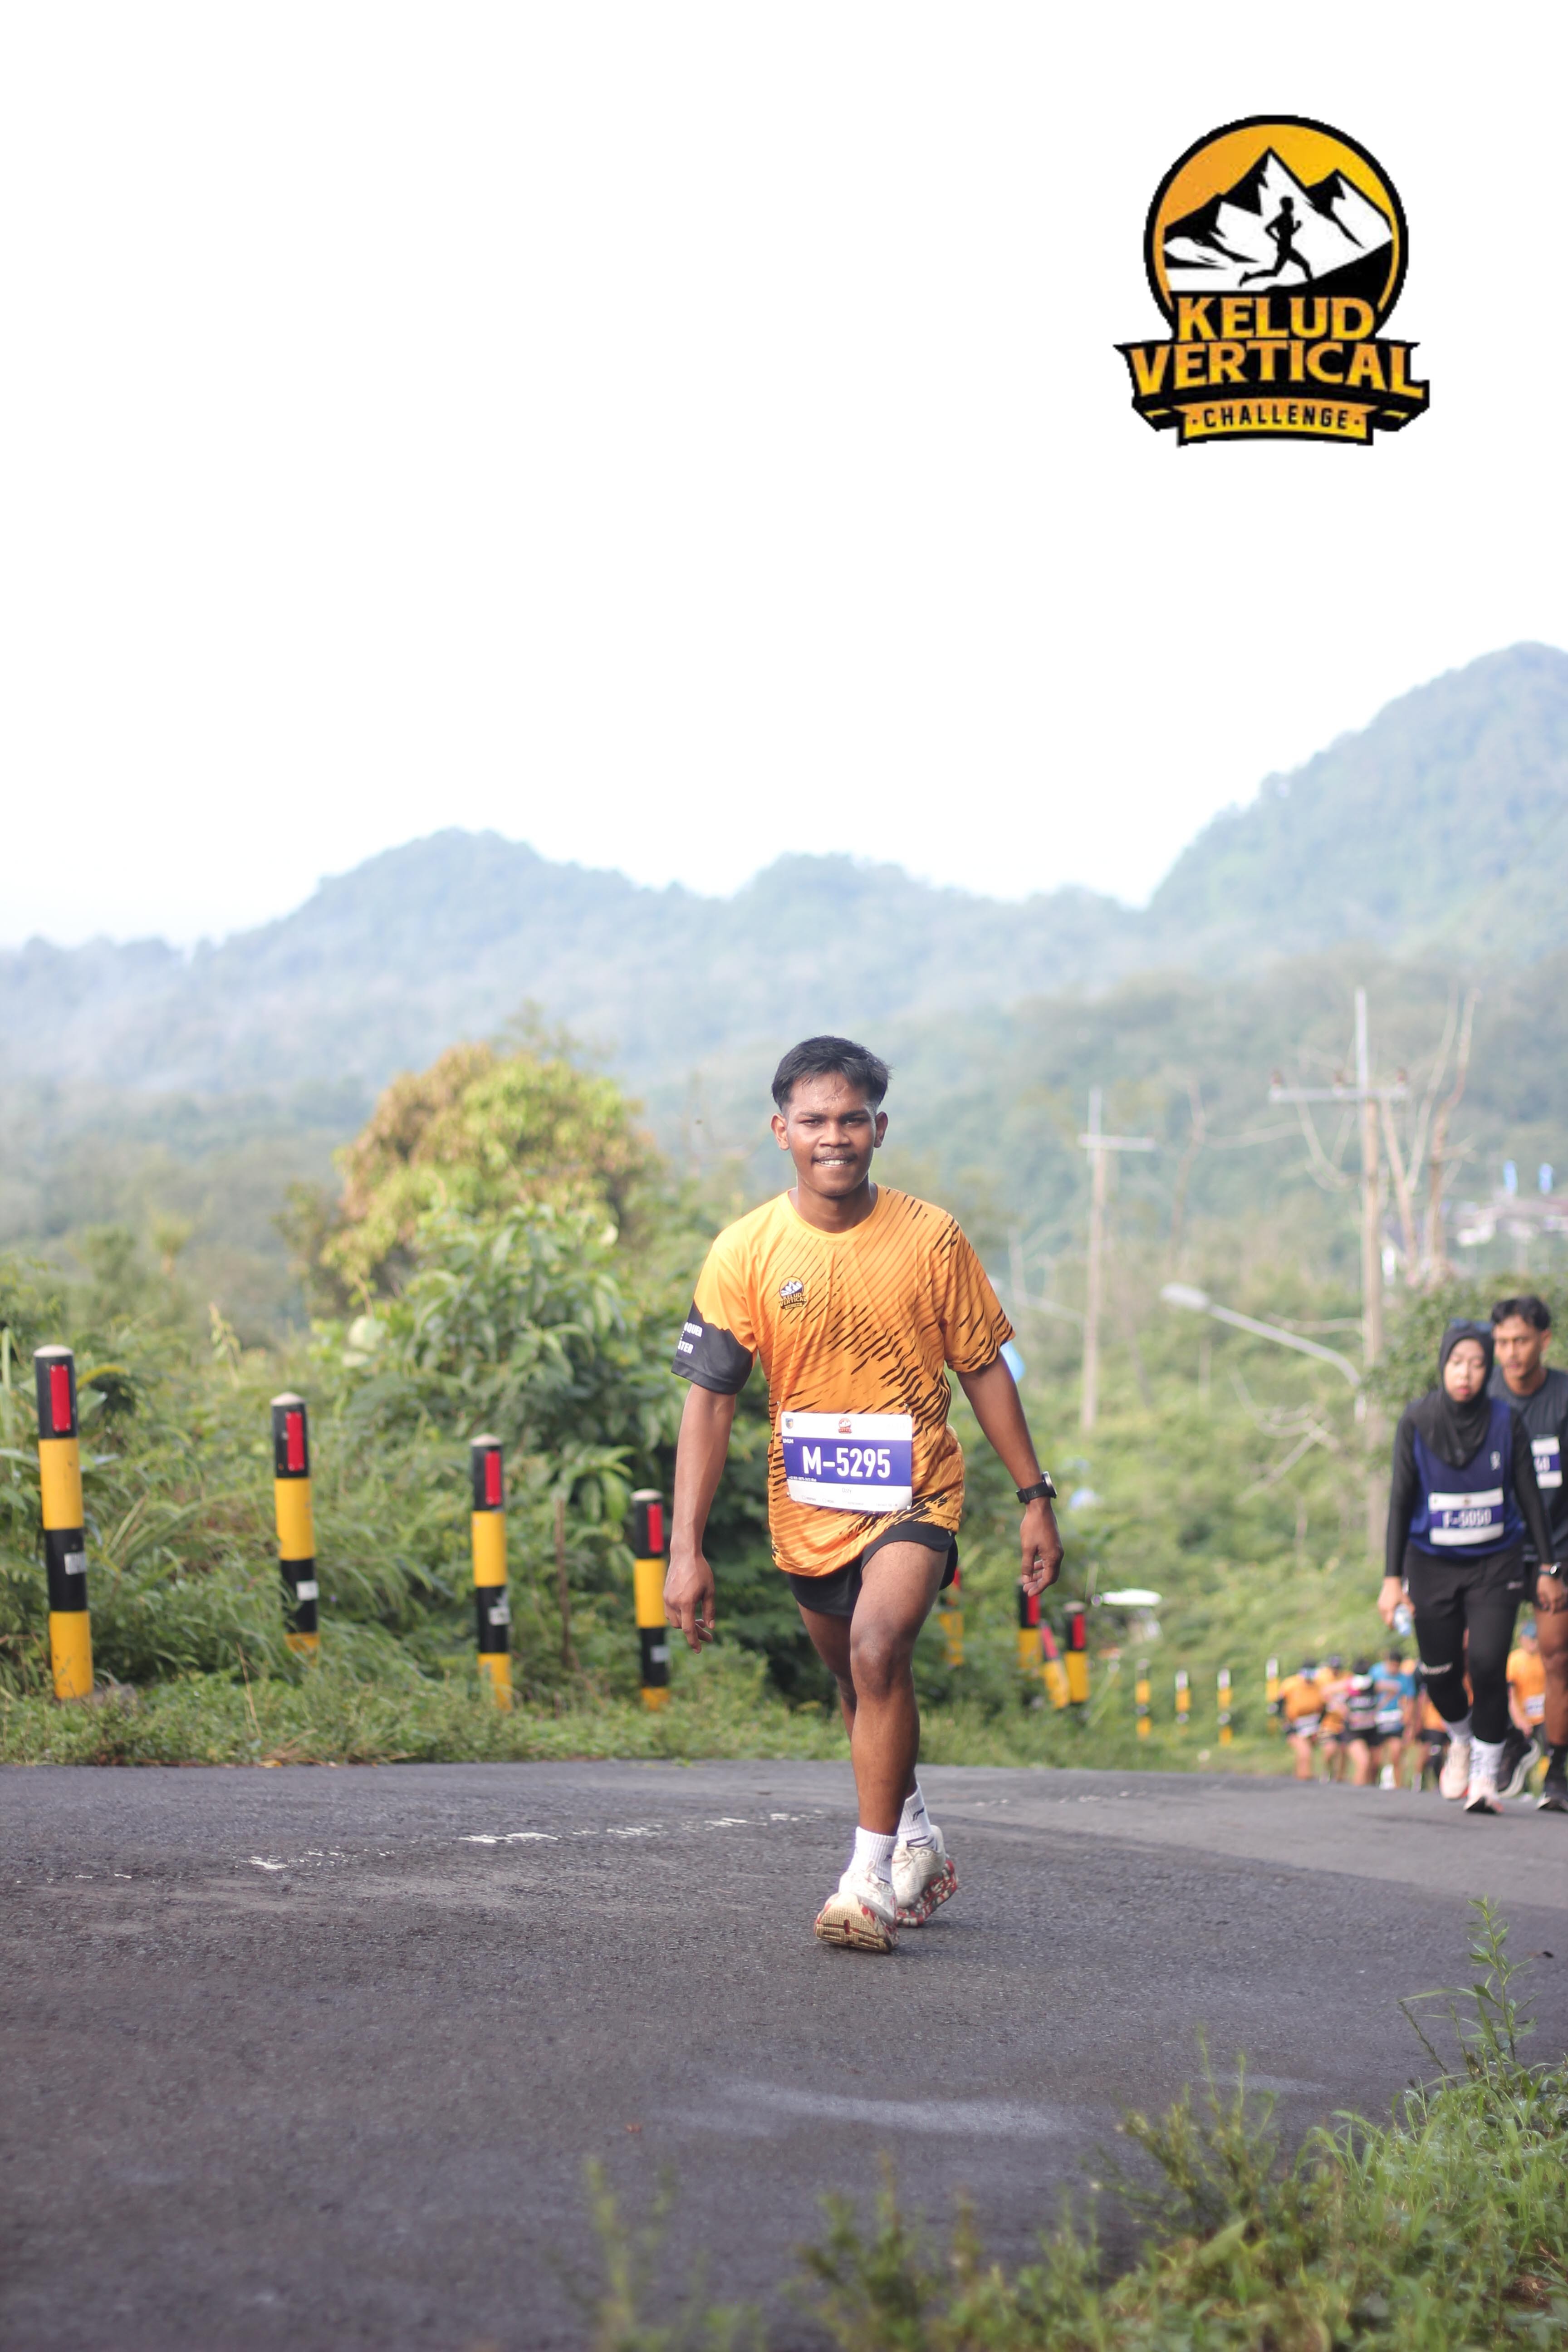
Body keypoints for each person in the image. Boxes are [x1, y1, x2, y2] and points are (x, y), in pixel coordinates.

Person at [664, 1035, 1063, 1952]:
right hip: (807, 1506)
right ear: (781, 1132)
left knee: (880, 1648)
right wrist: (686, 1549)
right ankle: (915, 1835)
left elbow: (983, 1369)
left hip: (917, 1493)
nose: (833, 1137)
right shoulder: (744, 1251)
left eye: (852, 1120)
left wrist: (1034, 1494)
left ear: (880, 1128)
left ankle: (867, 1879)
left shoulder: (931, 1238)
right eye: (814, 1121)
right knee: (853, 1677)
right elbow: (710, 1405)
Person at [1380, 1319, 1555, 1813]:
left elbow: (1530, 1496)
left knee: (1487, 1664)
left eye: (1478, 1364)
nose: (1467, 1374)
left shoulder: (1506, 1421)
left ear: (1488, 1370)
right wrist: (1392, 1580)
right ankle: (1460, 1736)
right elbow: (1400, 1500)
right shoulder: (1417, 1420)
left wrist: (1547, 1566)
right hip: (1431, 1564)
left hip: (1495, 1563)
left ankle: (1486, 1775)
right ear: (1443, 1365)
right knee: (1439, 1673)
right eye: (1458, 1363)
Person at [1489, 1294, 1568, 1812]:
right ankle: (1509, 1741)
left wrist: (1551, 1565)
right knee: (1479, 1655)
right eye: (1502, 1343)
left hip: (1558, 1544)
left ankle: (1557, 1771)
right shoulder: (1484, 1395)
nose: (1512, 1352)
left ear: (1544, 1339)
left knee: (1557, 1655)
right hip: (1495, 1546)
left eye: (1521, 1341)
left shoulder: (1563, 1397)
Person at [1505, 1622, 1547, 1792]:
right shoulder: (1514, 1660)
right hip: (1522, 1715)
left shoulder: (1546, 1658)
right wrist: (1519, 1719)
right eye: (1530, 1639)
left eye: (1536, 1639)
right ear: (1522, 1639)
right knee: (1521, 1751)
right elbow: (1511, 1694)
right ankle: (1524, 1788)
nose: (1533, 1643)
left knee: (1548, 1750)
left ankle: (1546, 1786)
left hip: (1544, 1716)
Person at [1341, 1659, 1385, 1787]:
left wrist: (1379, 1707)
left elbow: (1395, 1688)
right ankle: (1358, 1794)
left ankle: (1371, 1791)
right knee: (1364, 1762)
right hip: (1354, 1731)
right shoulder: (1349, 1685)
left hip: (1371, 1729)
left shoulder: (1373, 1685)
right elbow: (1326, 1692)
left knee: (1375, 1764)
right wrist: (1345, 1712)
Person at [1280, 1659, 1323, 1779]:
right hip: (1295, 1725)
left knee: (1308, 1752)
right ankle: (1305, 1778)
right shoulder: (1290, 1685)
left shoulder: (1319, 1685)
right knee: (1305, 1752)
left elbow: (1324, 1707)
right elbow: (1279, 1707)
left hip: (1313, 1725)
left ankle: (1301, 1776)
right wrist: (1287, 1725)